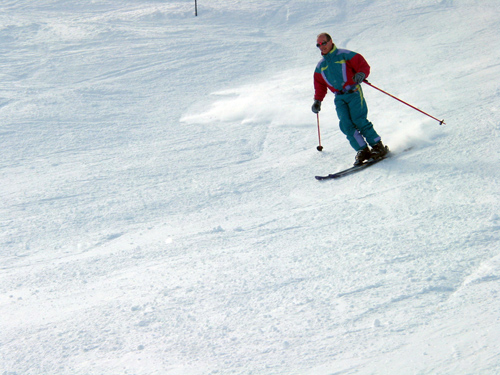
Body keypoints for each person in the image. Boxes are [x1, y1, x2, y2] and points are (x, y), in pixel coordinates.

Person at [311, 33, 388, 165]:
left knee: (359, 119)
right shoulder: (320, 66)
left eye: (323, 43)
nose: (321, 47)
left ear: (330, 41)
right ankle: (363, 150)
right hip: (339, 97)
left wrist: (361, 74)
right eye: (318, 45)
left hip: (353, 92)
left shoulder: (344, 55)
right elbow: (320, 85)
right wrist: (317, 101)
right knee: (345, 124)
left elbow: (362, 65)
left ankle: (377, 146)